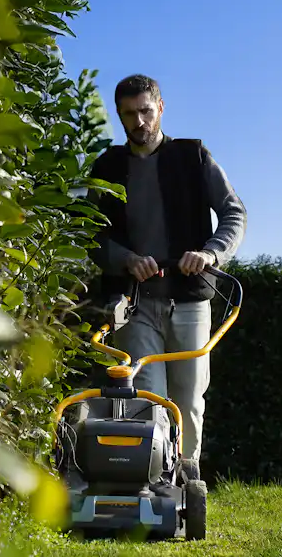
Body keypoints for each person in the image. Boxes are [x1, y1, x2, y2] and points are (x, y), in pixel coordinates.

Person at [86, 74, 247, 472]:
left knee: (189, 399)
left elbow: (234, 213)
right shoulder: (107, 167)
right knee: (147, 397)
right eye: (129, 114)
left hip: (190, 300)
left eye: (145, 111)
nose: (139, 121)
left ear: (160, 108)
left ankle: (187, 479)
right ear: (119, 116)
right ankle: (154, 480)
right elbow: (90, 234)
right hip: (134, 303)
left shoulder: (194, 157)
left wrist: (210, 254)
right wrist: (125, 259)